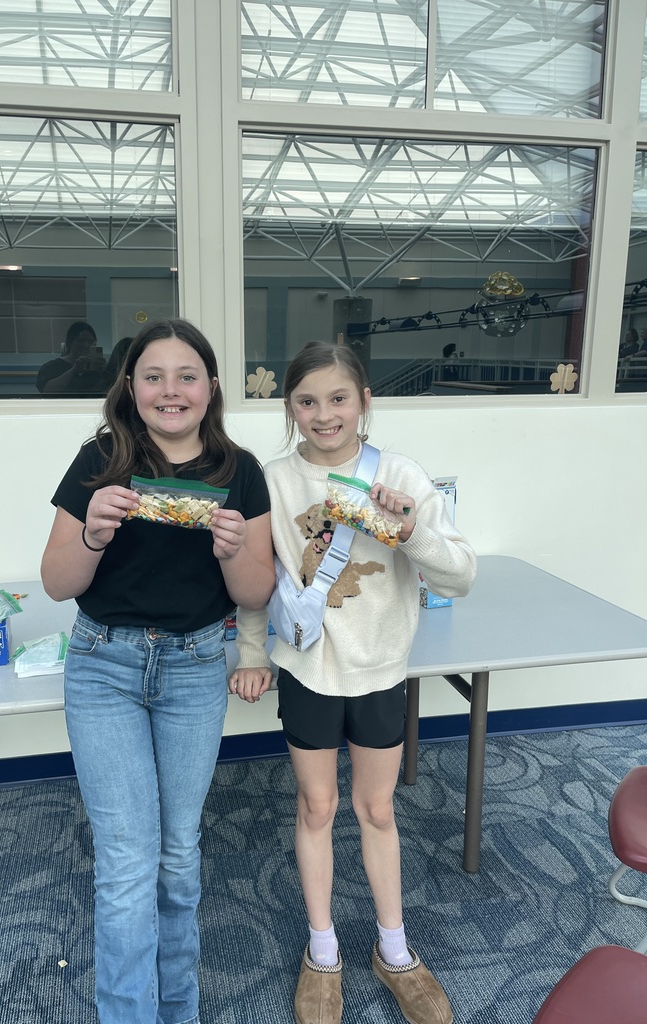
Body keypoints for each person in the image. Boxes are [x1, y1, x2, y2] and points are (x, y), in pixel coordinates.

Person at [229, 341, 477, 1024]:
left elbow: (460, 575)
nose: (324, 413)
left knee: (376, 811)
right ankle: (322, 949)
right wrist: (252, 654)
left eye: (339, 398)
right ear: (290, 408)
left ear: (364, 401)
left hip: (379, 672)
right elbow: (257, 581)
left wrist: (409, 531)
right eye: (307, 401)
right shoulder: (272, 480)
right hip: (308, 669)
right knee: (315, 809)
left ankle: (393, 951)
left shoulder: (398, 473)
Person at [40, 318, 275, 1024]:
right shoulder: (99, 459)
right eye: (153, 376)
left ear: (211, 389)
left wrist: (234, 550)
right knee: (125, 866)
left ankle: (180, 1010)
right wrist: (91, 531)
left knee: (177, 857)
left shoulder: (241, 471)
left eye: (186, 376)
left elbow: (256, 594)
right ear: (131, 386)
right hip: (102, 666)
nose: (170, 390)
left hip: (196, 666)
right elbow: (56, 582)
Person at [37, 320, 112, 394]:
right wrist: (74, 370)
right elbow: (46, 392)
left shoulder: (98, 367)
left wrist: (107, 373)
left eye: (91, 341)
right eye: (80, 341)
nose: (86, 345)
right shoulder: (52, 367)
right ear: (70, 343)